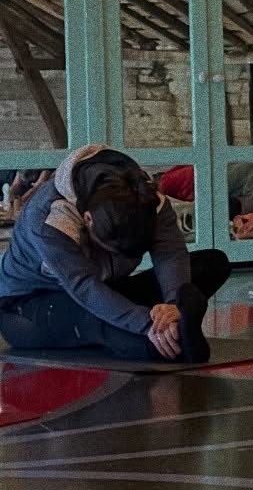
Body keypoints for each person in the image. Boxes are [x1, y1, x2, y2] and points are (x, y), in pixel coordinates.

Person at [0, 145, 230, 362]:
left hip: (106, 286)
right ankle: (176, 345)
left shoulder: (146, 199)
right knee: (94, 320)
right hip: (26, 308)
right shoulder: (49, 220)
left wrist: (172, 304)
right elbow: (85, 287)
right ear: (88, 219)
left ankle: (176, 325)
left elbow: (170, 253)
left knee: (212, 263)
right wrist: (145, 324)